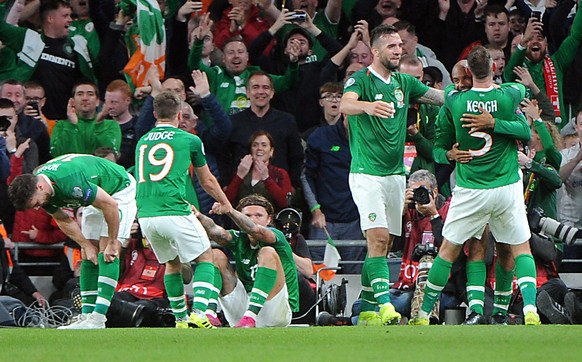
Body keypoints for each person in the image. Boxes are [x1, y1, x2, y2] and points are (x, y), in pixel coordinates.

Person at [409, 45, 541, 326]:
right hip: (506, 186)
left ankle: (422, 315)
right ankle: (530, 309)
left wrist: (455, 149)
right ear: (494, 68)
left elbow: (437, 149)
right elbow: (523, 120)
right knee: (520, 249)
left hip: (471, 190)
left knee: (448, 250)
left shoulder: (455, 102)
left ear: (468, 72)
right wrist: (494, 121)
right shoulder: (508, 96)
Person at [340, 24, 444, 326]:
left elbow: (438, 97)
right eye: (392, 47)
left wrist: (470, 95)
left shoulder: (403, 82)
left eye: (400, 46)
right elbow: (346, 104)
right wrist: (368, 106)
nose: (399, 50)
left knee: (384, 245)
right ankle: (386, 306)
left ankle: (369, 308)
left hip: (396, 176)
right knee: (378, 237)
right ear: (375, 51)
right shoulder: (360, 79)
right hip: (366, 174)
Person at [135, 89, 232, 329]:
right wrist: (225, 202)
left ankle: (180, 319)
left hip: (146, 215)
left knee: (172, 263)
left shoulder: (142, 141)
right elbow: (207, 180)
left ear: (155, 114)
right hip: (174, 210)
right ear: (179, 115)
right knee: (205, 257)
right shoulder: (189, 140)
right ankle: (199, 312)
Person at [8, 154, 137, 329]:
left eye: (36, 203)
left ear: (39, 186)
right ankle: (87, 315)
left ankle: (98, 319)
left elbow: (110, 205)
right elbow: (63, 219)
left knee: (108, 251)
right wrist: (85, 244)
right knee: (87, 253)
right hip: (96, 192)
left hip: (119, 189)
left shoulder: (69, 182)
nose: (38, 207)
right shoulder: (42, 188)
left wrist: (115, 240)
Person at [195, 194, 299, 328]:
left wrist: (229, 210)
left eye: (259, 215)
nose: (253, 219)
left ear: (269, 219)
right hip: (241, 310)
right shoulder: (239, 238)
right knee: (215, 254)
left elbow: (255, 230)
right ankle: (210, 312)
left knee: (267, 252)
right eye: (247, 216)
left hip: (275, 312)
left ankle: (251, 316)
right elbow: (215, 231)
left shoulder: (276, 235)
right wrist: (198, 216)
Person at [0, 0, 98, 120]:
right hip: (33, 119)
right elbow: (2, 28)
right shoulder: (29, 40)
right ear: (50, 19)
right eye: (65, 16)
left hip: (67, 121)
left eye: (70, 15)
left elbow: (90, 78)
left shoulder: (78, 45)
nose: (70, 20)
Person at [223, 71, 304, 188]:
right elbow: (224, 157)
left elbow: (296, 157)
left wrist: (294, 185)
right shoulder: (233, 122)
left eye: (265, 87)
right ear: (247, 92)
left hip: (279, 190)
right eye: (255, 87)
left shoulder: (287, 121)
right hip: (241, 191)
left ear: (272, 93)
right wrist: (226, 184)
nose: (261, 91)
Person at [504, 8, 582, 127]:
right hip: (529, 133)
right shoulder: (519, 68)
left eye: (540, 39)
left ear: (546, 43)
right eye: (530, 39)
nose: (535, 42)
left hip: (557, 133)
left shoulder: (557, 62)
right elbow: (508, 74)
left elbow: (575, 36)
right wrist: (523, 42)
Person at [389, 170, 449, 319]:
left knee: (402, 302)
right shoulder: (409, 212)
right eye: (414, 192)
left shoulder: (447, 209)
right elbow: (394, 247)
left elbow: (449, 248)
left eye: (422, 192)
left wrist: (434, 216)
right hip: (405, 286)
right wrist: (400, 214)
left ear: (434, 192)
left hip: (440, 289)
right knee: (360, 306)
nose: (418, 197)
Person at [50, 81, 122, 158]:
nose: (85, 98)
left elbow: (111, 155)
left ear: (97, 101)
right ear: (72, 101)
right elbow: (56, 154)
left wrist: (99, 124)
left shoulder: (111, 125)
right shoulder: (61, 126)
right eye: (80, 94)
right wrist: (72, 126)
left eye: (90, 94)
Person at [225, 130, 292, 211]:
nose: (259, 148)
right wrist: (239, 176)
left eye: (264, 145)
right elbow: (227, 201)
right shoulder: (241, 170)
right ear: (250, 150)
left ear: (271, 151)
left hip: (270, 221)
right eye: (255, 145)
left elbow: (285, 203)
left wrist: (267, 179)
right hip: (242, 220)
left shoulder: (280, 173)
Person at [101, 80, 137, 169]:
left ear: (127, 100)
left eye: (114, 102)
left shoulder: (137, 126)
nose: (109, 106)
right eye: (107, 102)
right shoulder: (101, 125)